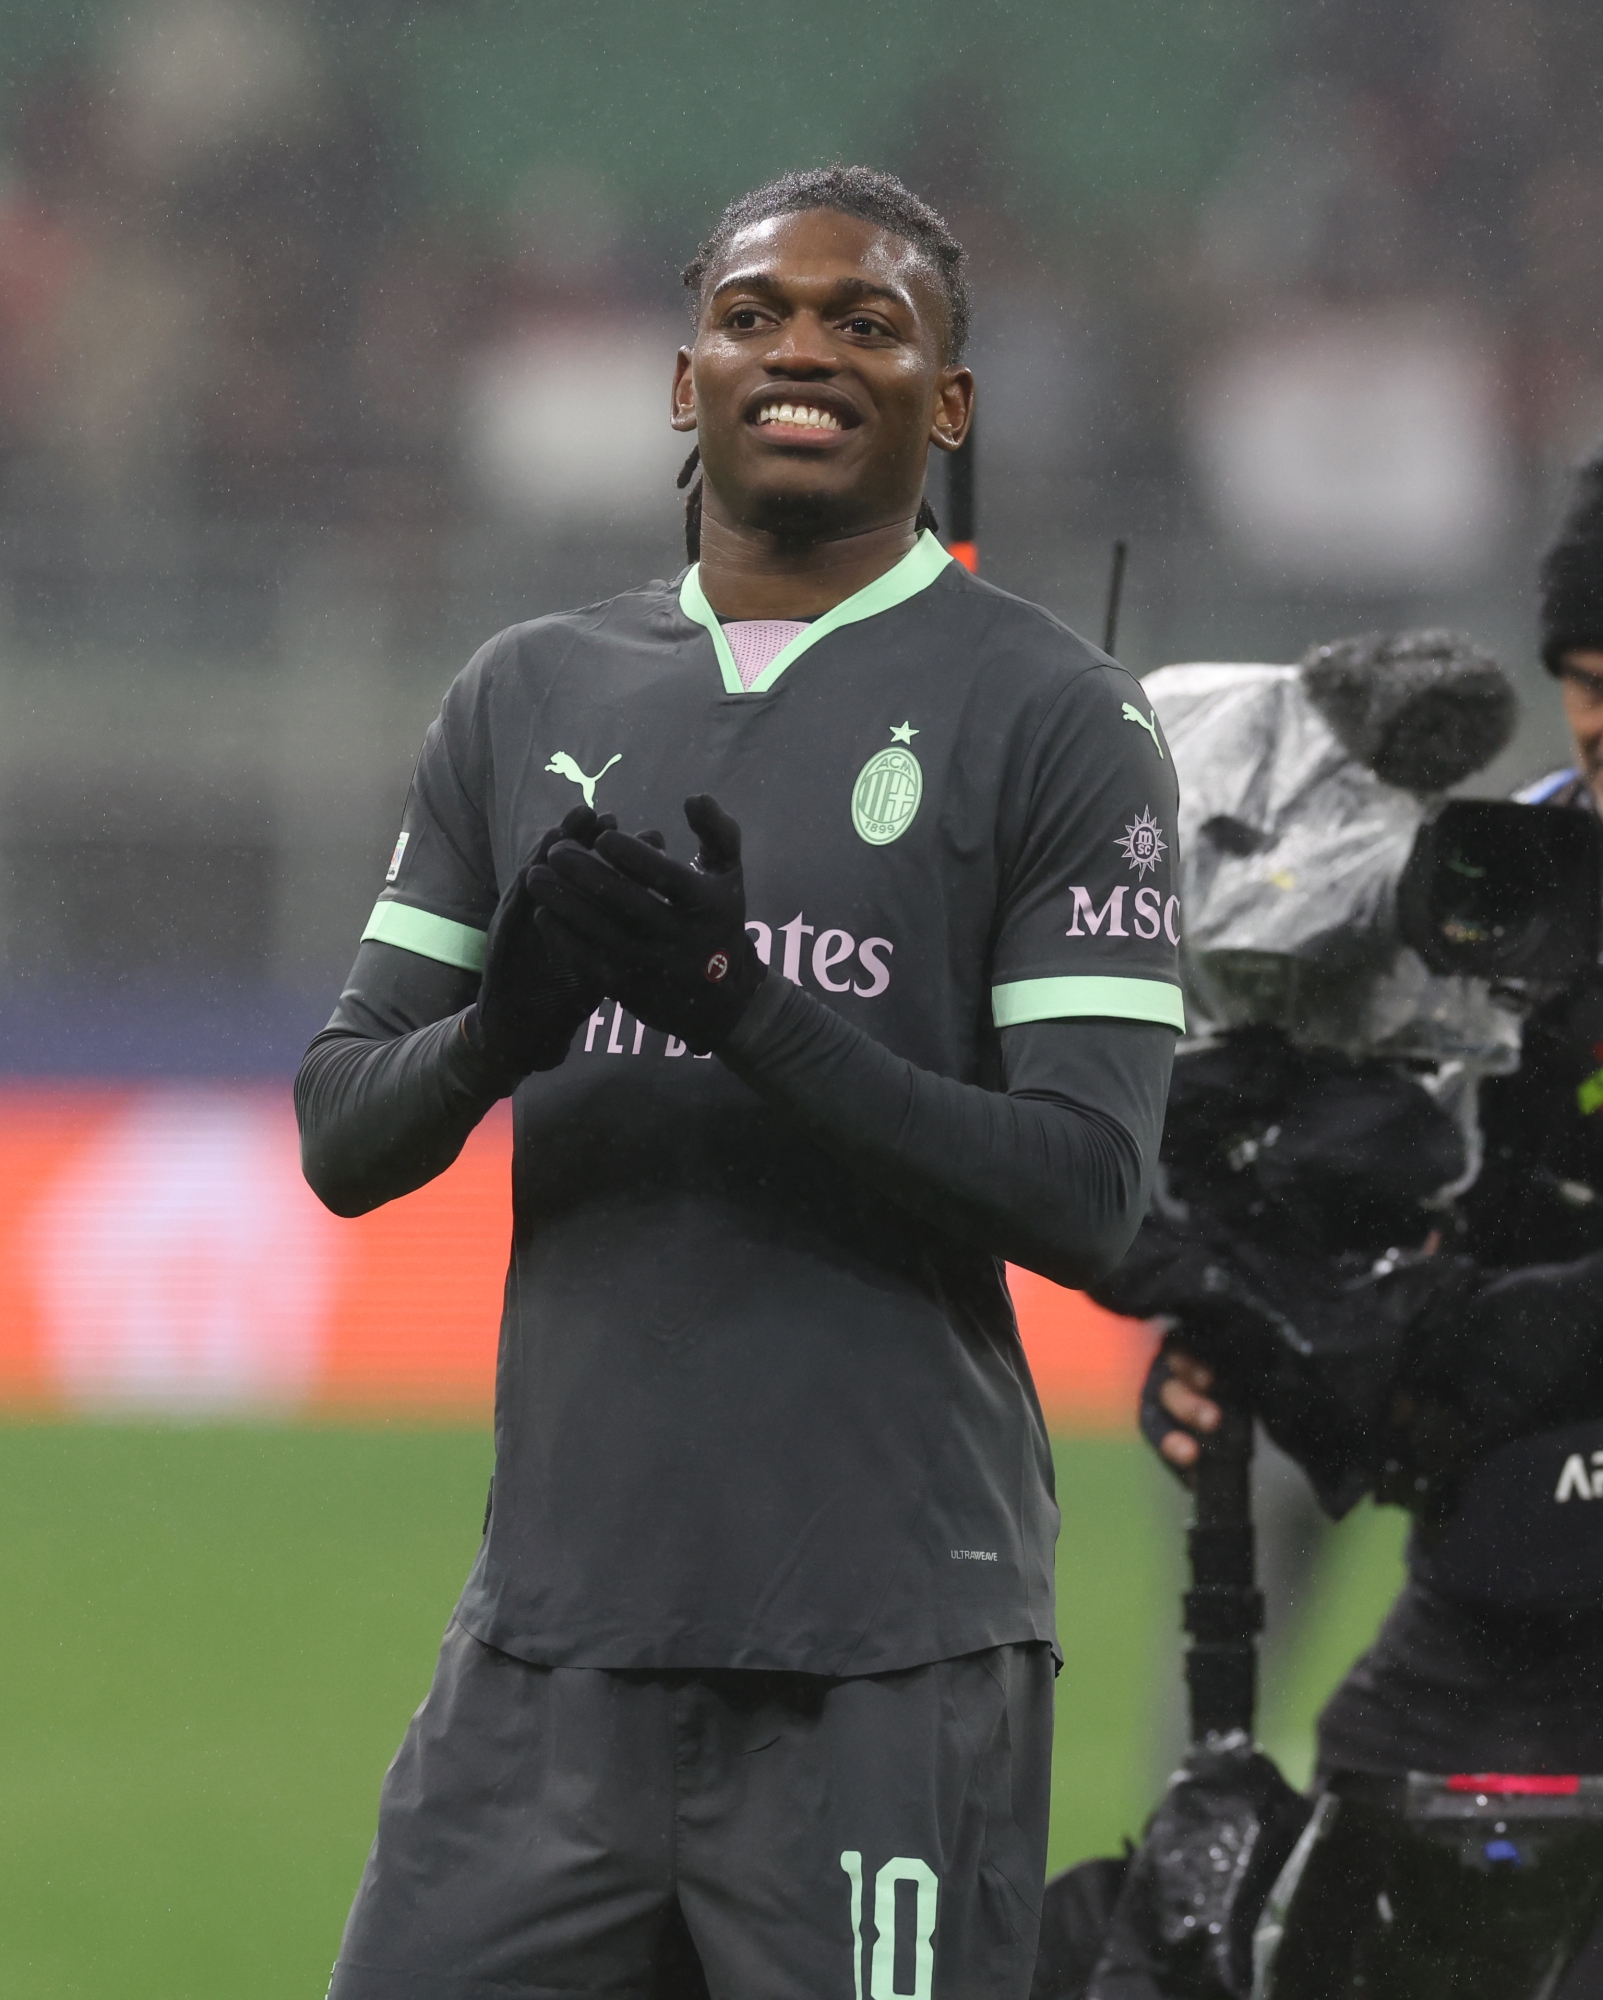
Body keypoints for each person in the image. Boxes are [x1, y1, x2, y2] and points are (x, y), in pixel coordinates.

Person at [296, 165, 1184, 2000]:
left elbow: (1097, 1199)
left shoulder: (1060, 716)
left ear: (946, 404)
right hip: (549, 1651)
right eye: (757, 312)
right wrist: (504, 1034)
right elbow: (341, 1133)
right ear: (682, 376)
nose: (805, 350)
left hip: (884, 1654)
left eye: (869, 323)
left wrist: (740, 1009)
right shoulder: (523, 691)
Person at [1136, 498, 1603, 1997]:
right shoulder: (1490, 883)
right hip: (1506, 1591)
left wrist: (1504, 1340)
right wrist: (1267, 1338)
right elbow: (1399, 1216)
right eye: (1588, 676)